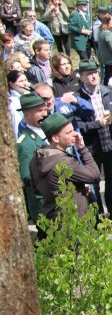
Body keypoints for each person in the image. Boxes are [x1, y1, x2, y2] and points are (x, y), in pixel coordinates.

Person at [75, 59, 112, 224]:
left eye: (95, 72)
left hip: (110, 145)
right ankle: (98, 214)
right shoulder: (77, 98)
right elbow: (76, 125)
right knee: (93, 181)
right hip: (91, 147)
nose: (93, 76)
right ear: (81, 77)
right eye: (88, 74)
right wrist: (96, 124)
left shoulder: (107, 92)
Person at [29, 113, 101, 220]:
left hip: (52, 217)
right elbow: (95, 176)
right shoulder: (64, 163)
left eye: (73, 130)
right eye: (69, 132)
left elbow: (36, 189)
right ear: (55, 138)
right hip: (72, 221)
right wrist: (82, 148)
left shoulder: (37, 158)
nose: (75, 134)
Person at [16, 93, 49, 226]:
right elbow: (28, 178)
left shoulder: (50, 131)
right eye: (39, 111)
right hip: (44, 205)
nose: (44, 114)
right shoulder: (25, 143)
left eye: (45, 109)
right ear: (27, 115)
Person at [7, 69, 31, 138]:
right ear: (11, 84)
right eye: (21, 81)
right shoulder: (13, 103)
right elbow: (16, 126)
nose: (25, 83)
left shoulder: (29, 95)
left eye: (25, 80)